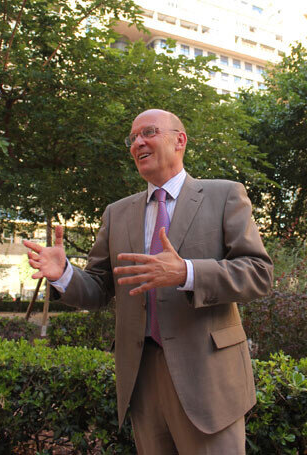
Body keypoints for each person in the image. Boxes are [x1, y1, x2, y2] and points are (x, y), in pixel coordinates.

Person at [24, 109, 273, 454]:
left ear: (180, 140)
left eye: (149, 132)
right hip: (141, 378)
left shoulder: (224, 196)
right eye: (133, 138)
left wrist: (186, 272)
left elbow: (258, 273)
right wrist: (64, 273)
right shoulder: (117, 213)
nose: (137, 142)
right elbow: (98, 289)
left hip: (208, 378)